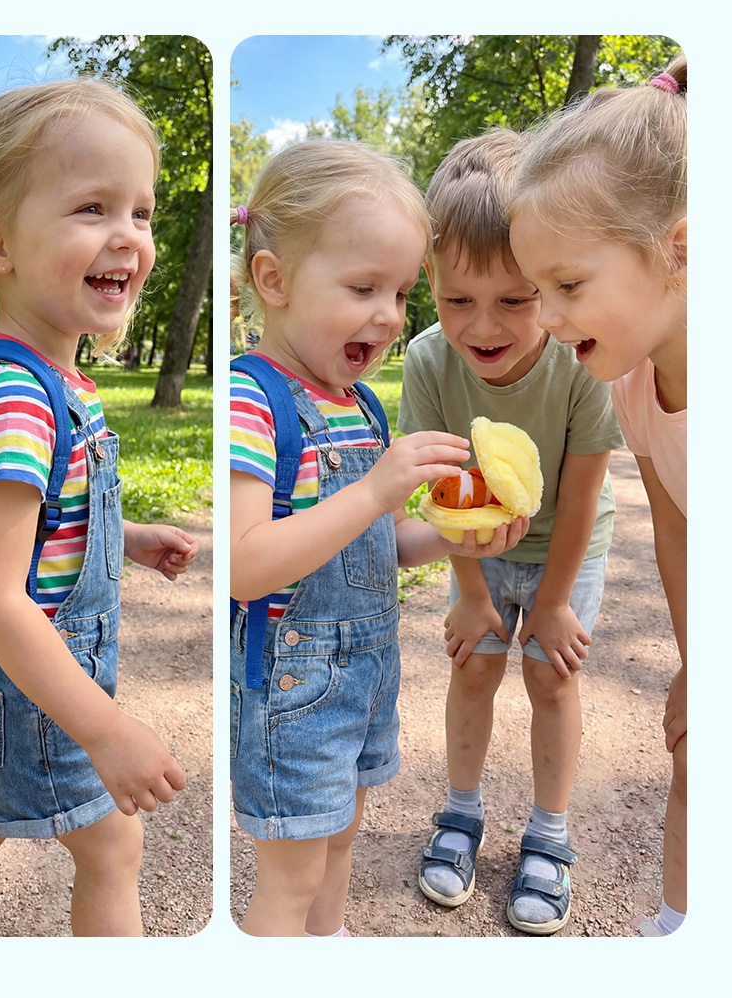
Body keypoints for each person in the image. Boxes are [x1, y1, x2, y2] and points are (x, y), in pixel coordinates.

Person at [0, 80, 197, 937]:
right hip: (36, 691)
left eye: (142, 210)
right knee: (112, 850)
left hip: (21, 683)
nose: (127, 235)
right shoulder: (14, 398)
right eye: (92, 207)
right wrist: (106, 730)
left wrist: (121, 537)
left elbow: (34, 527)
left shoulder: (46, 381)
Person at [229, 139, 528, 938]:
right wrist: (372, 490)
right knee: (291, 877)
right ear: (275, 280)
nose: (390, 316)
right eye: (363, 287)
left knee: (340, 853)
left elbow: (377, 549)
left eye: (400, 294)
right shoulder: (252, 402)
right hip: (293, 691)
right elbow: (247, 567)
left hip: (364, 676)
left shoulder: (357, 403)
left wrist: (457, 538)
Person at [399, 128, 625, 935]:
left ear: (549, 285)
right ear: (430, 281)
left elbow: (584, 481)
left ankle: (549, 838)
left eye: (514, 299)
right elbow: (443, 494)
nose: (482, 327)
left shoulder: (583, 359)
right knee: (475, 671)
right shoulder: (429, 364)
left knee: (552, 679)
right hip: (478, 552)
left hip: (566, 546)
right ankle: (460, 816)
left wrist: (557, 603)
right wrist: (466, 593)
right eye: (458, 299)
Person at [508, 54, 687, 937]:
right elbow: (678, 533)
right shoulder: (630, 383)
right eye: (538, 291)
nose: (544, 318)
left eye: (568, 287)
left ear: (679, 252)